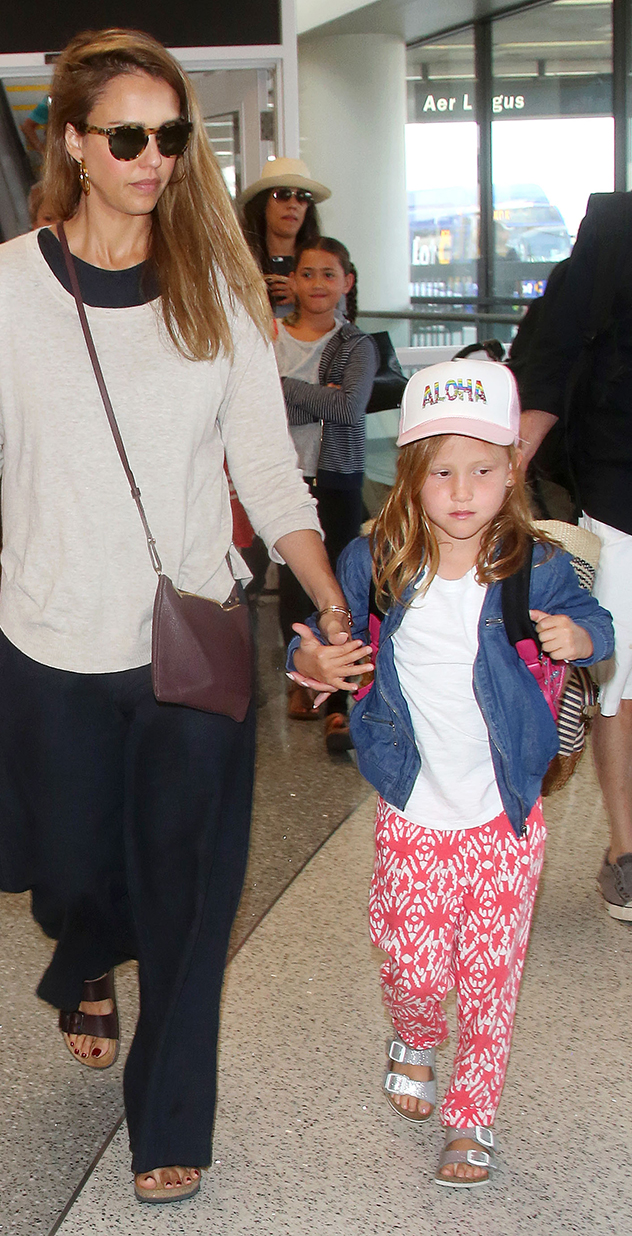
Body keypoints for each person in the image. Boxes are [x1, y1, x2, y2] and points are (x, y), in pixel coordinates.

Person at [0, 28, 368, 1205]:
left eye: (171, 136)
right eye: (127, 135)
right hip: (51, 639)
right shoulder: (6, 285)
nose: (153, 157)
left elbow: (269, 476)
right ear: (74, 143)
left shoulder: (218, 288)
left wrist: (328, 604)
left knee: (185, 889)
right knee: (66, 871)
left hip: (192, 640)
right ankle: (82, 954)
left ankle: (171, 1115)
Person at [290, 360, 612, 1187]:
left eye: (484, 469)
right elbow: (316, 634)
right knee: (411, 962)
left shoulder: (534, 567)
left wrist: (583, 638)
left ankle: (472, 1121)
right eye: (442, 470)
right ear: (412, 475)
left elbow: (594, 618)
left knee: (490, 974)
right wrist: (317, 660)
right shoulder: (380, 562)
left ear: (512, 474)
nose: (463, 490)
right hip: (411, 807)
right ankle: (411, 1032)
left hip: (505, 815)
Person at [515, 192, 632, 918]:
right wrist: (501, 481)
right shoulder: (616, 232)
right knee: (619, 680)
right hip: (622, 496)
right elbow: (552, 354)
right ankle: (627, 850)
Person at [276, 237, 377, 747]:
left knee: (343, 582)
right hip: (278, 478)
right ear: (292, 281)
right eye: (308, 273)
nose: (318, 284)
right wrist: (319, 397)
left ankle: (342, 696)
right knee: (291, 583)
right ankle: (301, 677)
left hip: (336, 478)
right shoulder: (266, 334)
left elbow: (348, 410)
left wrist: (282, 388)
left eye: (329, 274)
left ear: (347, 283)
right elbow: (247, 404)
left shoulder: (356, 345)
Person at [239, 157, 330, 317]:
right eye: (283, 195)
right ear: (263, 204)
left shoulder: (327, 265)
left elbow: (342, 328)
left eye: (303, 197)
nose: (293, 204)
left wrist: (306, 298)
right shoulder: (238, 263)